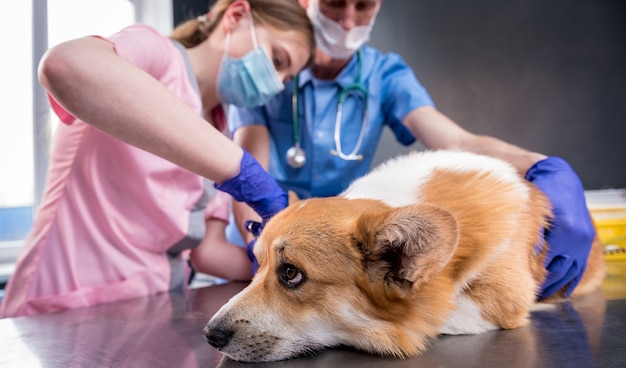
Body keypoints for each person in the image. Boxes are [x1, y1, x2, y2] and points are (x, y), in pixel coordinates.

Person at [209, 0, 596, 300]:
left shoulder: (385, 76)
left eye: (363, 6)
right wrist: (257, 244)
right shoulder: (269, 67)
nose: (347, 21)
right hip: (261, 245)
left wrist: (541, 165)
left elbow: (458, 142)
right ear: (308, 2)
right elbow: (248, 171)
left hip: (341, 259)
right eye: (334, 4)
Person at [0, 0, 315, 318]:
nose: (276, 84)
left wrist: (279, 261)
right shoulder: (158, 55)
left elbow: (209, 252)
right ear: (235, 15)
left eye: (286, 80)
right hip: (63, 306)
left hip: (147, 311)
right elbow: (65, 64)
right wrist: (240, 169)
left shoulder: (218, 133)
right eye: (277, 60)